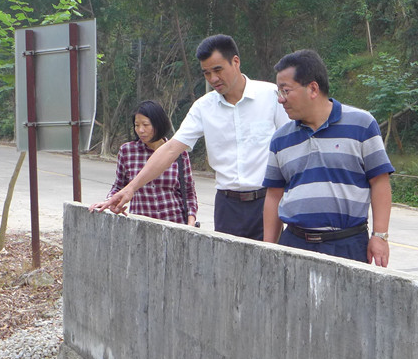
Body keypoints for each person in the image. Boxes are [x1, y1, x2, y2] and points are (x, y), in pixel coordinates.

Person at [90, 34, 289, 239]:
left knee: (268, 256)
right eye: (206, 73)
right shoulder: (204, 107)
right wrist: (130, 188)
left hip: (267, 200)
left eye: (218, 70)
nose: (213, 79)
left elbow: (291, 147)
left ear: (236, 62)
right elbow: (170, 149)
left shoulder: (271, 96)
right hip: (227, 205)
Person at [262, 49, 394, 266]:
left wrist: (380, 236)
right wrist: (268, 247)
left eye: (286, 90)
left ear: (313, 88)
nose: (280, 99)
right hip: (294, 243)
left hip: (347, 244)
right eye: (279, 91)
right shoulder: (280, 139)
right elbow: (274, 195)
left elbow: (379, 181)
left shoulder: (362, 125)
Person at [106, 100, 198, 225]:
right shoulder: (127, 151)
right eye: (137, 125)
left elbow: (189, 192)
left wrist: (190, 222)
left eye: (145, 125)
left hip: (174, 224)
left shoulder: (179, 152)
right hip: (140, 225)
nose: (140, 130)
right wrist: (110, 201)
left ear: (158, 124)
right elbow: (119, 186)